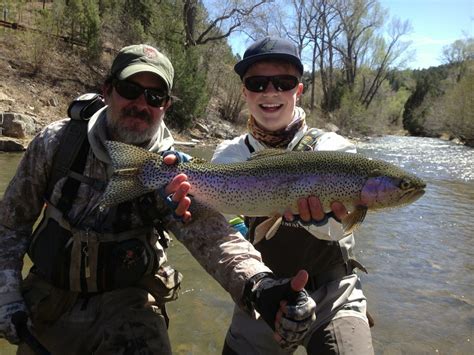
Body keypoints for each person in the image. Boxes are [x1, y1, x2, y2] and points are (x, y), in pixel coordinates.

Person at [0, 44, 317, 354]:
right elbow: (10, 227)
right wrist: (7, 296)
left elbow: (213, 238)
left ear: (165, 106)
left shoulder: (172, 168)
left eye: (155, 97)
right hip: (48, 300)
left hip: (129, 306)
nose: (141, 103)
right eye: (130, 89)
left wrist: (258, 285)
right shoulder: (56, 144)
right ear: (107, 90)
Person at [212, 37, 375, 354]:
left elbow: (341, 230)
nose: (270, 92)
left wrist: (317, 220)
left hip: (333, 293)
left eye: (283, 83)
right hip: (261, 291)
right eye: (257, 83)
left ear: (298, 90)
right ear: (244, 92)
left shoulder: (334, 149)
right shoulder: (229, 157)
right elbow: (221, 230)